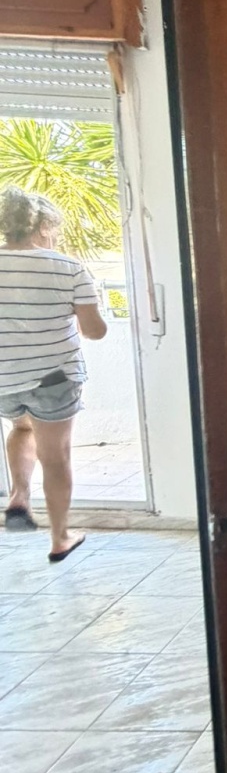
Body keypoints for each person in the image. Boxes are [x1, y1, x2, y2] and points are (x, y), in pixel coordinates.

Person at [0, 186, 107, 561]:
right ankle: (60, 537)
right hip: (53, 378)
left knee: (22, 427)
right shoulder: (68, 267)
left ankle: (19, 495)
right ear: (43, 225)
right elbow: (94, 331)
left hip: (4, 378)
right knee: (56, 455)